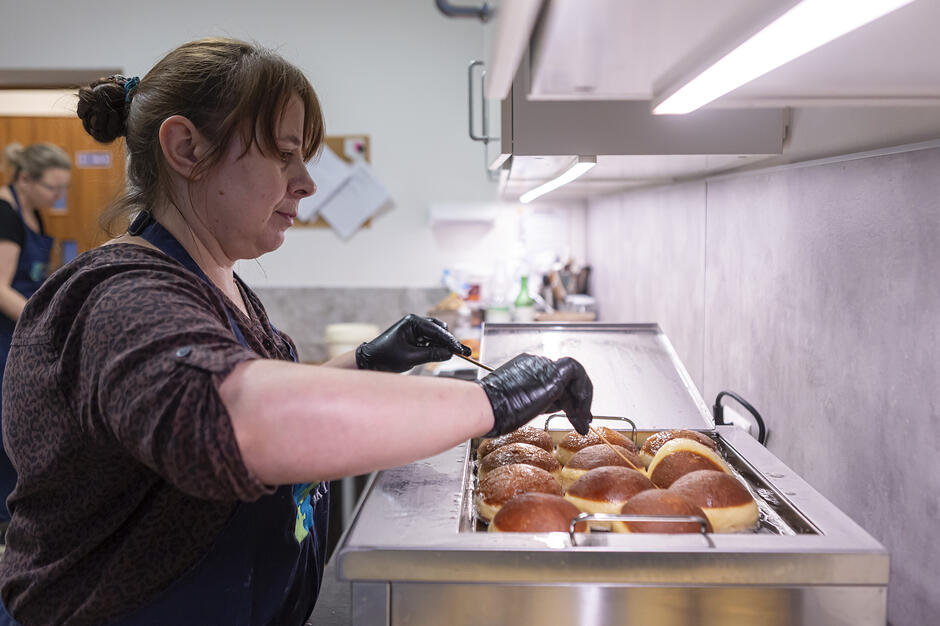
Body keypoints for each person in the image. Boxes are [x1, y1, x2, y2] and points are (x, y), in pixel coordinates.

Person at [0, 38, 593, 626]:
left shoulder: (213, 280)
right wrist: (492, 400)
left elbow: (250, 385)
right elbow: (238, 420)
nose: (306, 182)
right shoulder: (118, 297)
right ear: (186, 148)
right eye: (285, 154)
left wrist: (367, 364)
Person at [0, 142, 70, 529]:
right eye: (52, 189)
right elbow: (0, 286)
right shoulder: (5, 214)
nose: (58, 198)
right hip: (7, 334)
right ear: (25, 179)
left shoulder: (32, 213)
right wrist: (46, 321)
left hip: (19, 334)